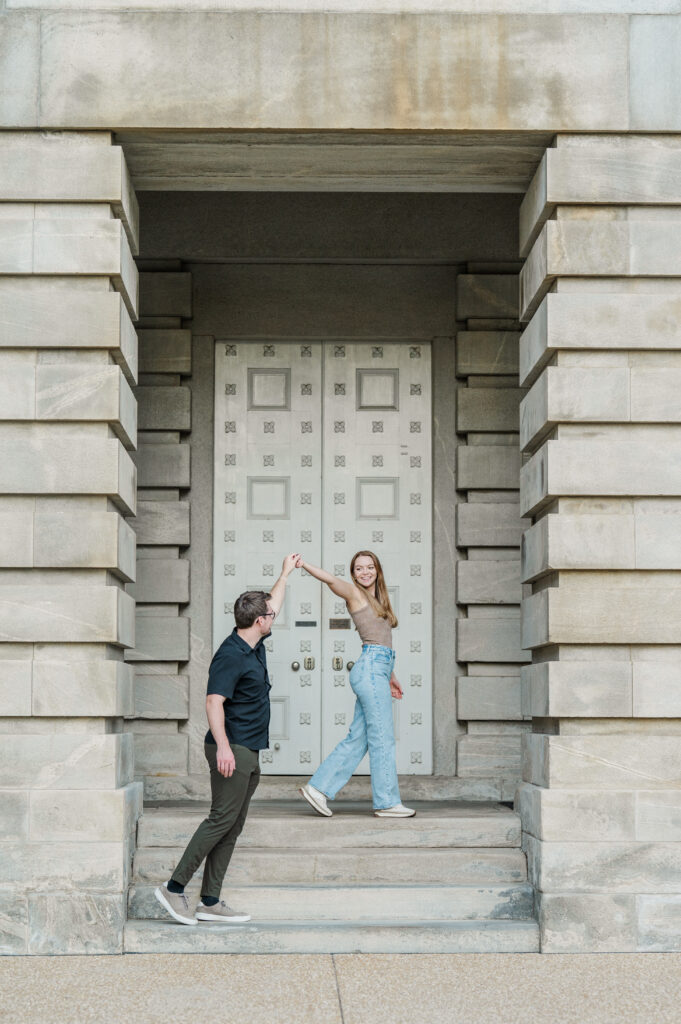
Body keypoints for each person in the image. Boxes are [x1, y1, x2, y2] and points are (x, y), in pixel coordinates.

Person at [154, 554, 299, 926]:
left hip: (248, 747)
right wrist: (222, 747)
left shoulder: (254, 642)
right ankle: (173, 887)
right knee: (220, 820)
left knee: (232, 825)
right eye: (270, 615)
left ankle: (210, 901)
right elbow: (213, 701)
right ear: (259, 620)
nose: (274, 616)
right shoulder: (231, 655)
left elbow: (274, 601)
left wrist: (285, 573)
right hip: (231, 748)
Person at [297, 550, 415, 818]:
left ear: (377, 570)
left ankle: (318, 788)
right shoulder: (355, 594)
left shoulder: (378, 600)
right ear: (353, 573)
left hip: (378, 669)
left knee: (359, 738)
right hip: (370, 668)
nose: (365, 572)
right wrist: (304, 564)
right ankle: (387, 802)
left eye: (369, 567)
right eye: (359, 568)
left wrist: (391, 676)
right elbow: (330, 580)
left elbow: (382, 641)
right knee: (382, 737)